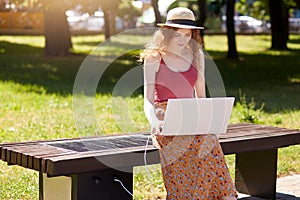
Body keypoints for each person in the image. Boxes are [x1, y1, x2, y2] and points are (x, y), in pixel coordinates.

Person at [140, 7, 238, 200]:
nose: (183, 39)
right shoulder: (154, 57)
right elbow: (148, 99)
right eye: (177, 34)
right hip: (165, 115)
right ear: (167, 32)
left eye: (187, 34)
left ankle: (226, 196)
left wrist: (209, 119)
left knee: (208, 140)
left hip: (192, 113)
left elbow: (201, 97)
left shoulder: (196, 56)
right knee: (187, 145)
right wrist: (153, 121)